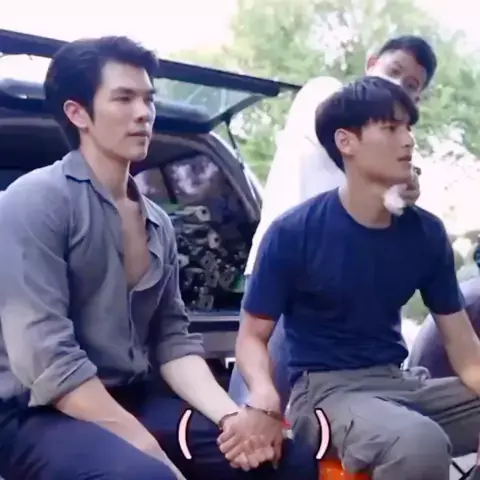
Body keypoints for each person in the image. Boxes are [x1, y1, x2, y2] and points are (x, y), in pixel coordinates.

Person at [0, 36, 313, 480]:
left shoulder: (157, 222)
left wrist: (233, 418)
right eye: (123, 98)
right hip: (38, 413)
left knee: (282, 457)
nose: (144, 113)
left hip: (135, 397)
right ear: (78, 113)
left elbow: (172, 340)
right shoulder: (33, 201)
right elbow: (49, 363)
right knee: (146, 475)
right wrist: (153, 454)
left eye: (148, 98)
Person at [234, 76, 480, 479]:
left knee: (415, 433)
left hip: (401, 384)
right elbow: (251, 337)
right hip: (325, 393)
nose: (408, 140)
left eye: (409, 128)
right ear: (346, 141)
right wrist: (264, 395)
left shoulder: (426, 233)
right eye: (391, 128)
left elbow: (465, 350)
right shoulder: (294, 232)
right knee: (418, 442)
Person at [228, 35, 437, 411]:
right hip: (284, 270)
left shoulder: (391, 148)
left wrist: (405, 187)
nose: (397, 86)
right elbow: (344, 136)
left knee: (316, 409)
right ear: (370, 63)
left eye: (410, 86)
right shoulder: (325, 94)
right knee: (257, 400)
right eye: (393, 71)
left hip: (336, 283)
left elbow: (389, 202)